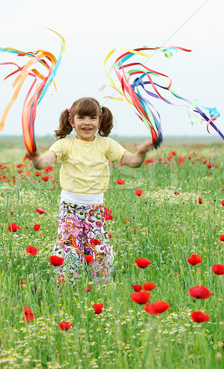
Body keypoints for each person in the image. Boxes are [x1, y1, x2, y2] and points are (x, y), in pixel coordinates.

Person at [30, 97, 153, 286]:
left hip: (95, 208)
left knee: (99, 252)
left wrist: (142, 151)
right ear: (72, 121)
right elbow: (43, 163)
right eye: (81, 117)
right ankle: (67, 291)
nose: (87, 122)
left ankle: (99, 289)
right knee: (69, 249)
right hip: (70, 208)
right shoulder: (64, 145)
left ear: (100, 121)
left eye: (92, 118)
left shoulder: (106, 144)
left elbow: (133, 162)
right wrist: (35, 156)